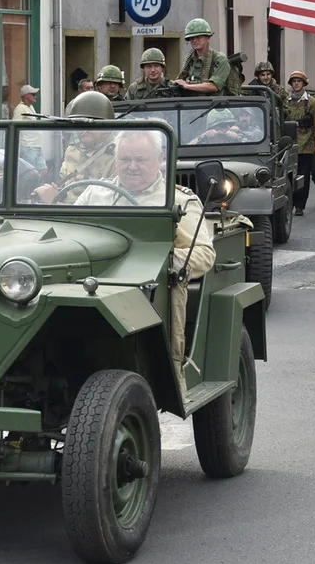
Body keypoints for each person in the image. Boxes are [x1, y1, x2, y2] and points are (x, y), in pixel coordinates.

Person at [74, 130, 215, 400]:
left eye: (141, 159)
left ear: (160, 159)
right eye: (125, 159)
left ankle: (165, 380)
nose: (132, 166)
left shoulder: (179, 201)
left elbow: (205, 255)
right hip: (89, 287)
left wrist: (164, 262)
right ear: (115, 160)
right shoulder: (95, 194)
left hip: (149, 295)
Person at [284, 71, 315, 215]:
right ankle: (290, 202)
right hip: (289, 144)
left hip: (306, 145)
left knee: (303, 175)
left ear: (304, 84)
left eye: (299, 81)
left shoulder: (311, 101)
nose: (296, 84)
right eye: (294, 81)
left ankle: (300, 205)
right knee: (289, 176)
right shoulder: (286, 100)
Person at [174, 19, 230, 96]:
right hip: (190, 104)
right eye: (192, 38)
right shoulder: (190, 60)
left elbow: (214, 86)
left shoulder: (219, 59)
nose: (194, 40)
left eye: (199, 37)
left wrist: (187, 86)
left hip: (214, 105)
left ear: (208, 37)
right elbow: (181, 79)